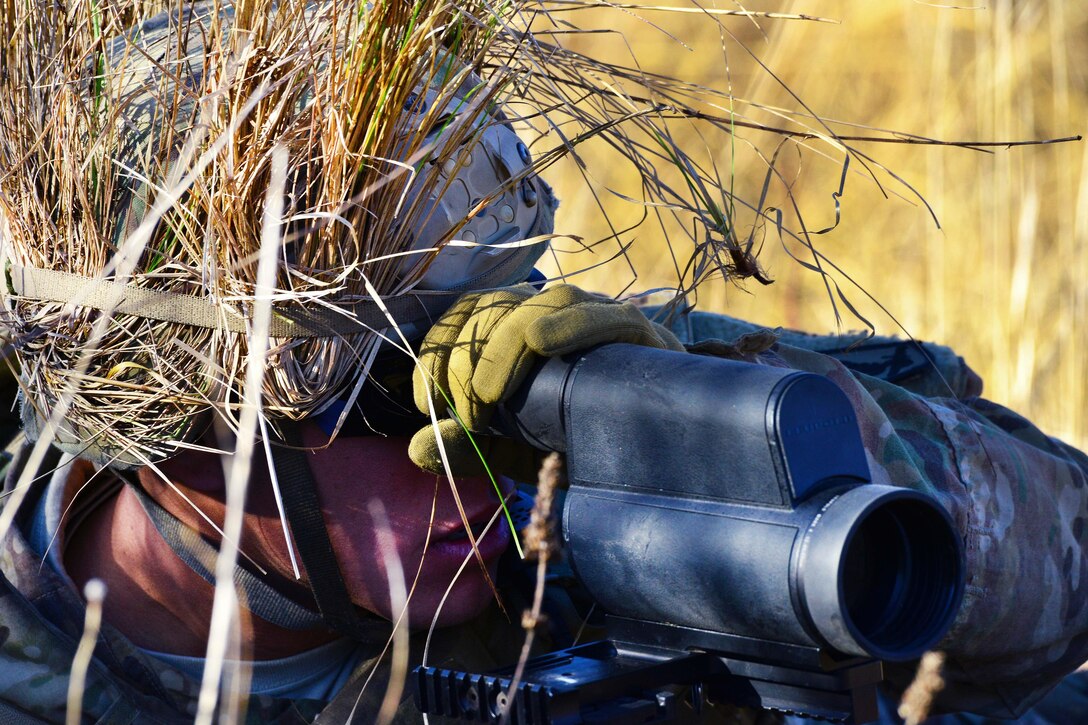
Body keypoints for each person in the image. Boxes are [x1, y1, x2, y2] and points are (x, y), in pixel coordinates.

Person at [0, 2, 1086, 725]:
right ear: (178, 412)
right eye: (400, 388)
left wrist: (685, 420)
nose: (484, 448)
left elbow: (1061, 570)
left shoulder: (589, 442)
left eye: (487, 352)